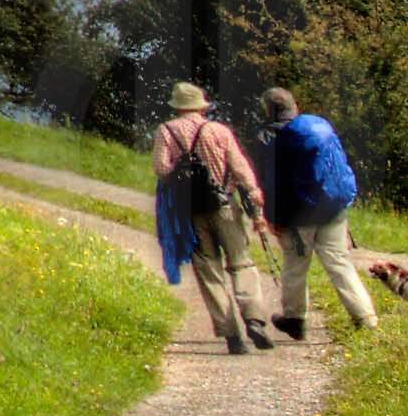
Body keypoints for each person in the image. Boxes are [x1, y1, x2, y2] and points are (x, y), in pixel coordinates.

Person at [149, 79, 275, 354]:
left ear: (177, 107)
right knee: (241, 263)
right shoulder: (218, 130)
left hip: (190, 212)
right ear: (200, 107)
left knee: (209, 271)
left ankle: (232, 336)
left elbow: (160, 168)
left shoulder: (166, 131)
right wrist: (253, 192)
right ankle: (254, 318)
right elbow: (239, 165)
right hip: (225, 206)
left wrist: (181, 169)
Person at [254, 85, 381, 338]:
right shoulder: (318, 128)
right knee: (339, 262)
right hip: (333, 207)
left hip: (301, 214)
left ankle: (294, 319)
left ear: (268, 111)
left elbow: (273, 183)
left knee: (295, 264)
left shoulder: (272, 140)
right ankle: (365, 317)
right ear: (295, 107)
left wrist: (273, 218)